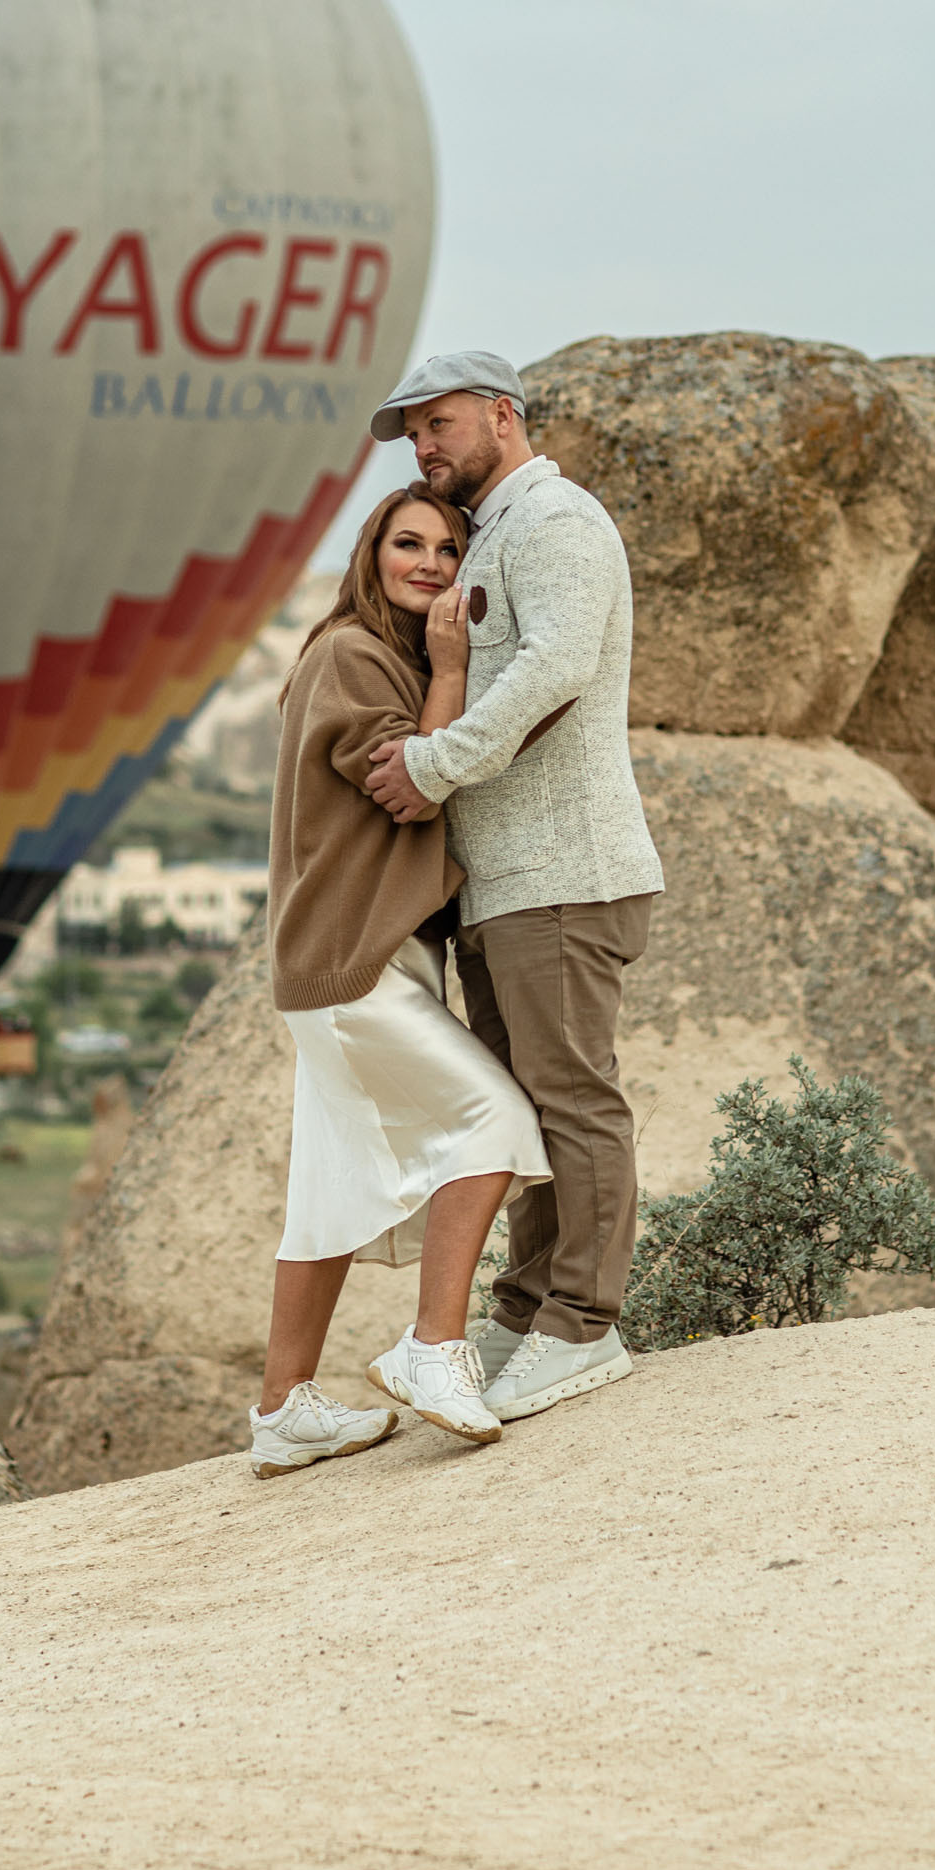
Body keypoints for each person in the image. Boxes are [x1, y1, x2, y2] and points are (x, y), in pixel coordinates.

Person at [363, 350, 663, 1423]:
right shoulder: (489, 534)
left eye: (437, 423)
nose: (422, 446)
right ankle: (525, 1307)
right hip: (504, 884)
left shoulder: (556, 522)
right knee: (519, 1107)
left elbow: (555, 670)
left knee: (572, 1098)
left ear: (502, 414)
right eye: (411, 434)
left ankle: (582, 1324)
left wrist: (434, 765)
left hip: (563, 872)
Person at [250, 483, 553, 1478]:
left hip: (353, 957)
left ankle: (282, 1411)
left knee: (328, 1188)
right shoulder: (350, 653)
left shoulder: (379, 653)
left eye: (447, 549)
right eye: (406, 543)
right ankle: (433, 1347)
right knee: (494, 1119)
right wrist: (456, 668)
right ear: (370, 554)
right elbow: (410, 786)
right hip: (352, 961)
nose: (427, 563)